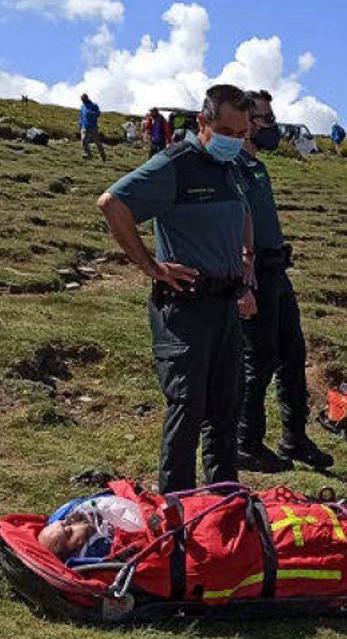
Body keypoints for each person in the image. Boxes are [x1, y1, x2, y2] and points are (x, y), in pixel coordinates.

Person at [97, 84, 257, 493]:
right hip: (185, 308)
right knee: (188, 408)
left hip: (225, 305)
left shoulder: (232, 165)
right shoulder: (175, 163)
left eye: (242, 133)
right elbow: (112, 203)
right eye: (226, 130)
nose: (235, 141)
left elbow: (244, 213)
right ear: (203, 123)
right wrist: (150, 266)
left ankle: (223, 504)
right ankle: (177, 508)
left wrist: (247, 262)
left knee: (226, 408)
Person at [234, 90, 334, 473]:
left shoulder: (258, 167)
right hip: (253, 274)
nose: (272, 127)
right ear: (245, 124)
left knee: (293, 354)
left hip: (276, 271)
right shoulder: (233, 168)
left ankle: (294, 436)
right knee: (256, 361)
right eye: (265, 119)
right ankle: (247, 442)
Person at [80, 93, 107, 162]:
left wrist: (92, 113)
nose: (82, 101)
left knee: (97, 142)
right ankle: (88, 154)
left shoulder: (94, 105)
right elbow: (82, 116)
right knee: (83, 140)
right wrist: (81, 124)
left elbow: (98, 113)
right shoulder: (82, 106)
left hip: (93, 127)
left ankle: (103, 156)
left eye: (83, 99)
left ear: (86, 98)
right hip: (85, 127)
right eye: (82, 100)